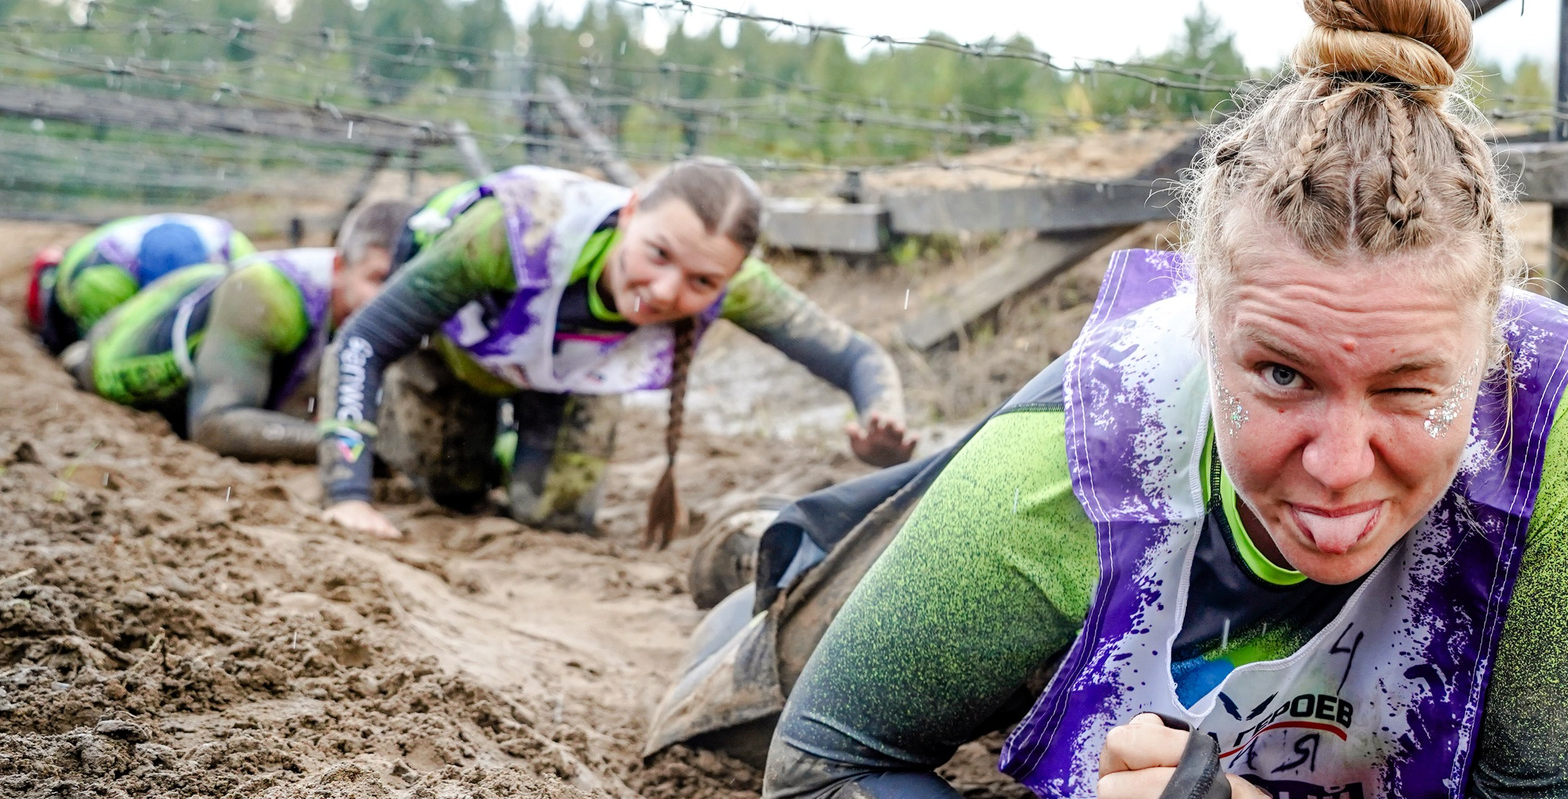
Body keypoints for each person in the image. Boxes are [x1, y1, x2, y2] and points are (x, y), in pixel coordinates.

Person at [760, 0, 1568, 799]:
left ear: (1490, 348)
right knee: (759, 666)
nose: (1338, 470)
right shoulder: (1087, 436)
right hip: (1015, 541)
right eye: (1280, 374)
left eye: (1407, 387)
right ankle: (771, 538)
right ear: (1205, 326)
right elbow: (822, 768)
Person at [315, 158, 911, 542]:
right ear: (630, 214)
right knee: (452, 490)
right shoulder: (510, 233)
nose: (667, 292)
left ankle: (518, 452)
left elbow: (856, 356)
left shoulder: (738, 283)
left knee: (555, 522)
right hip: (459, 359)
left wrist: (882, 413)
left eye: (703, 282)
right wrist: (347, 493)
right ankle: (470, 442)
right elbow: (362, 340)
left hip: (575, 377)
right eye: (657, 254)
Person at [73, 201, 410, 460]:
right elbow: (214, 425)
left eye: (405, 284)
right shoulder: (270, 295)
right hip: (115, 347)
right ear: (340, 267)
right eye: (379, 279)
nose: (395, 300)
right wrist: (352, 445)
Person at [33, 212, 253, 355]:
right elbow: (104, 345)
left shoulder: (237, 255)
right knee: (59, 340)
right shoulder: (101, 283)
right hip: (79, 268)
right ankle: (48, 271)